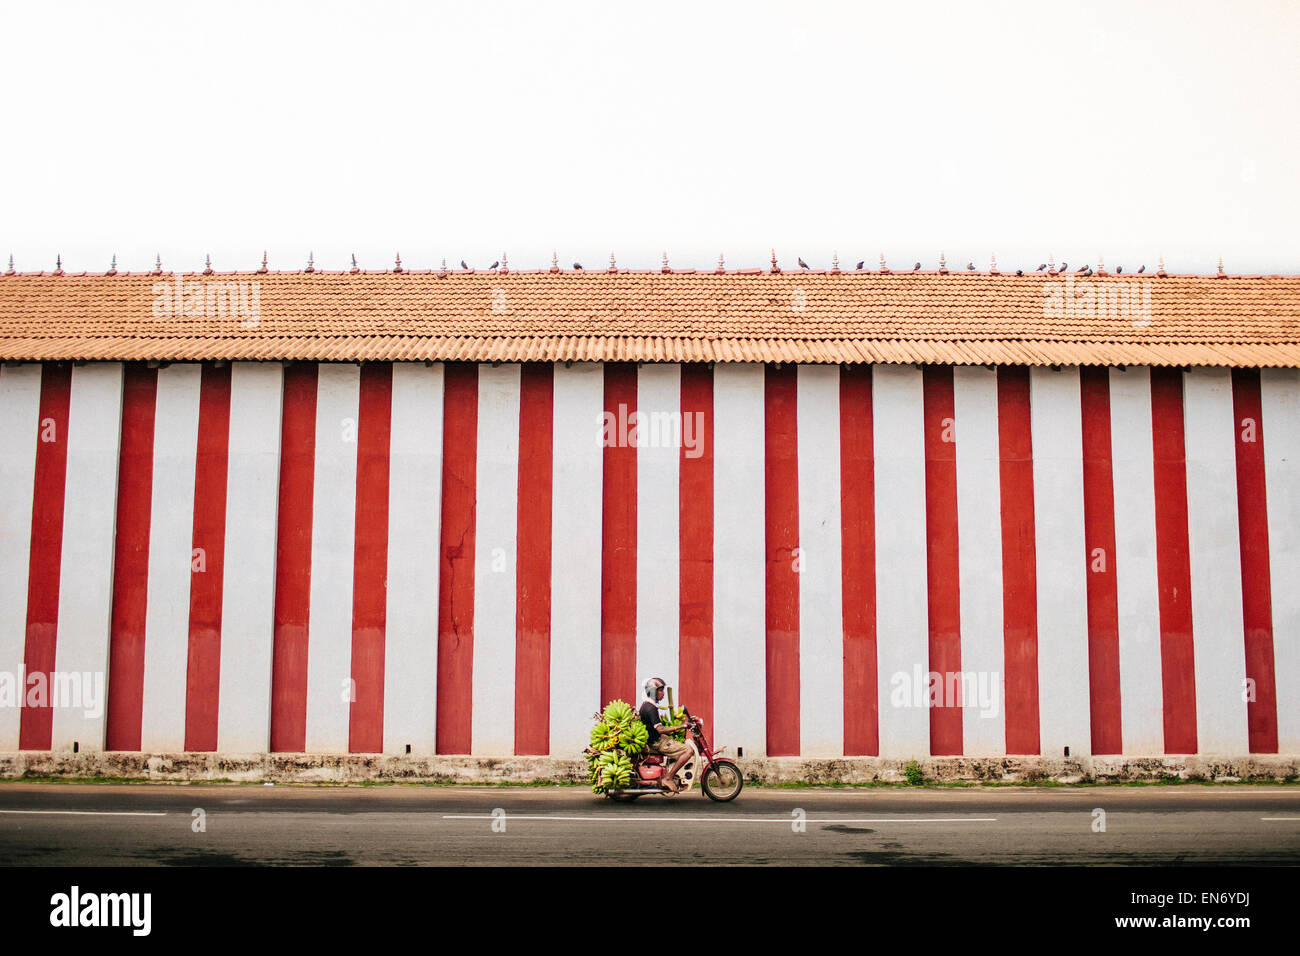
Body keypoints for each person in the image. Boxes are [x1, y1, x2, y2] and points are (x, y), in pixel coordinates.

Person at [639, 677, 692, 794]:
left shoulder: (647, 705)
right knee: (688, 751)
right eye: (660, 690)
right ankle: (668, 778)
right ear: (653, 692)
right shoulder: (650, 708)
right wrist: (681, 726)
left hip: (656, 738)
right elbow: (660, 729)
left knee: (677, 743)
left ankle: (670, 773)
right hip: (656, 742)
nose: (663, 693)